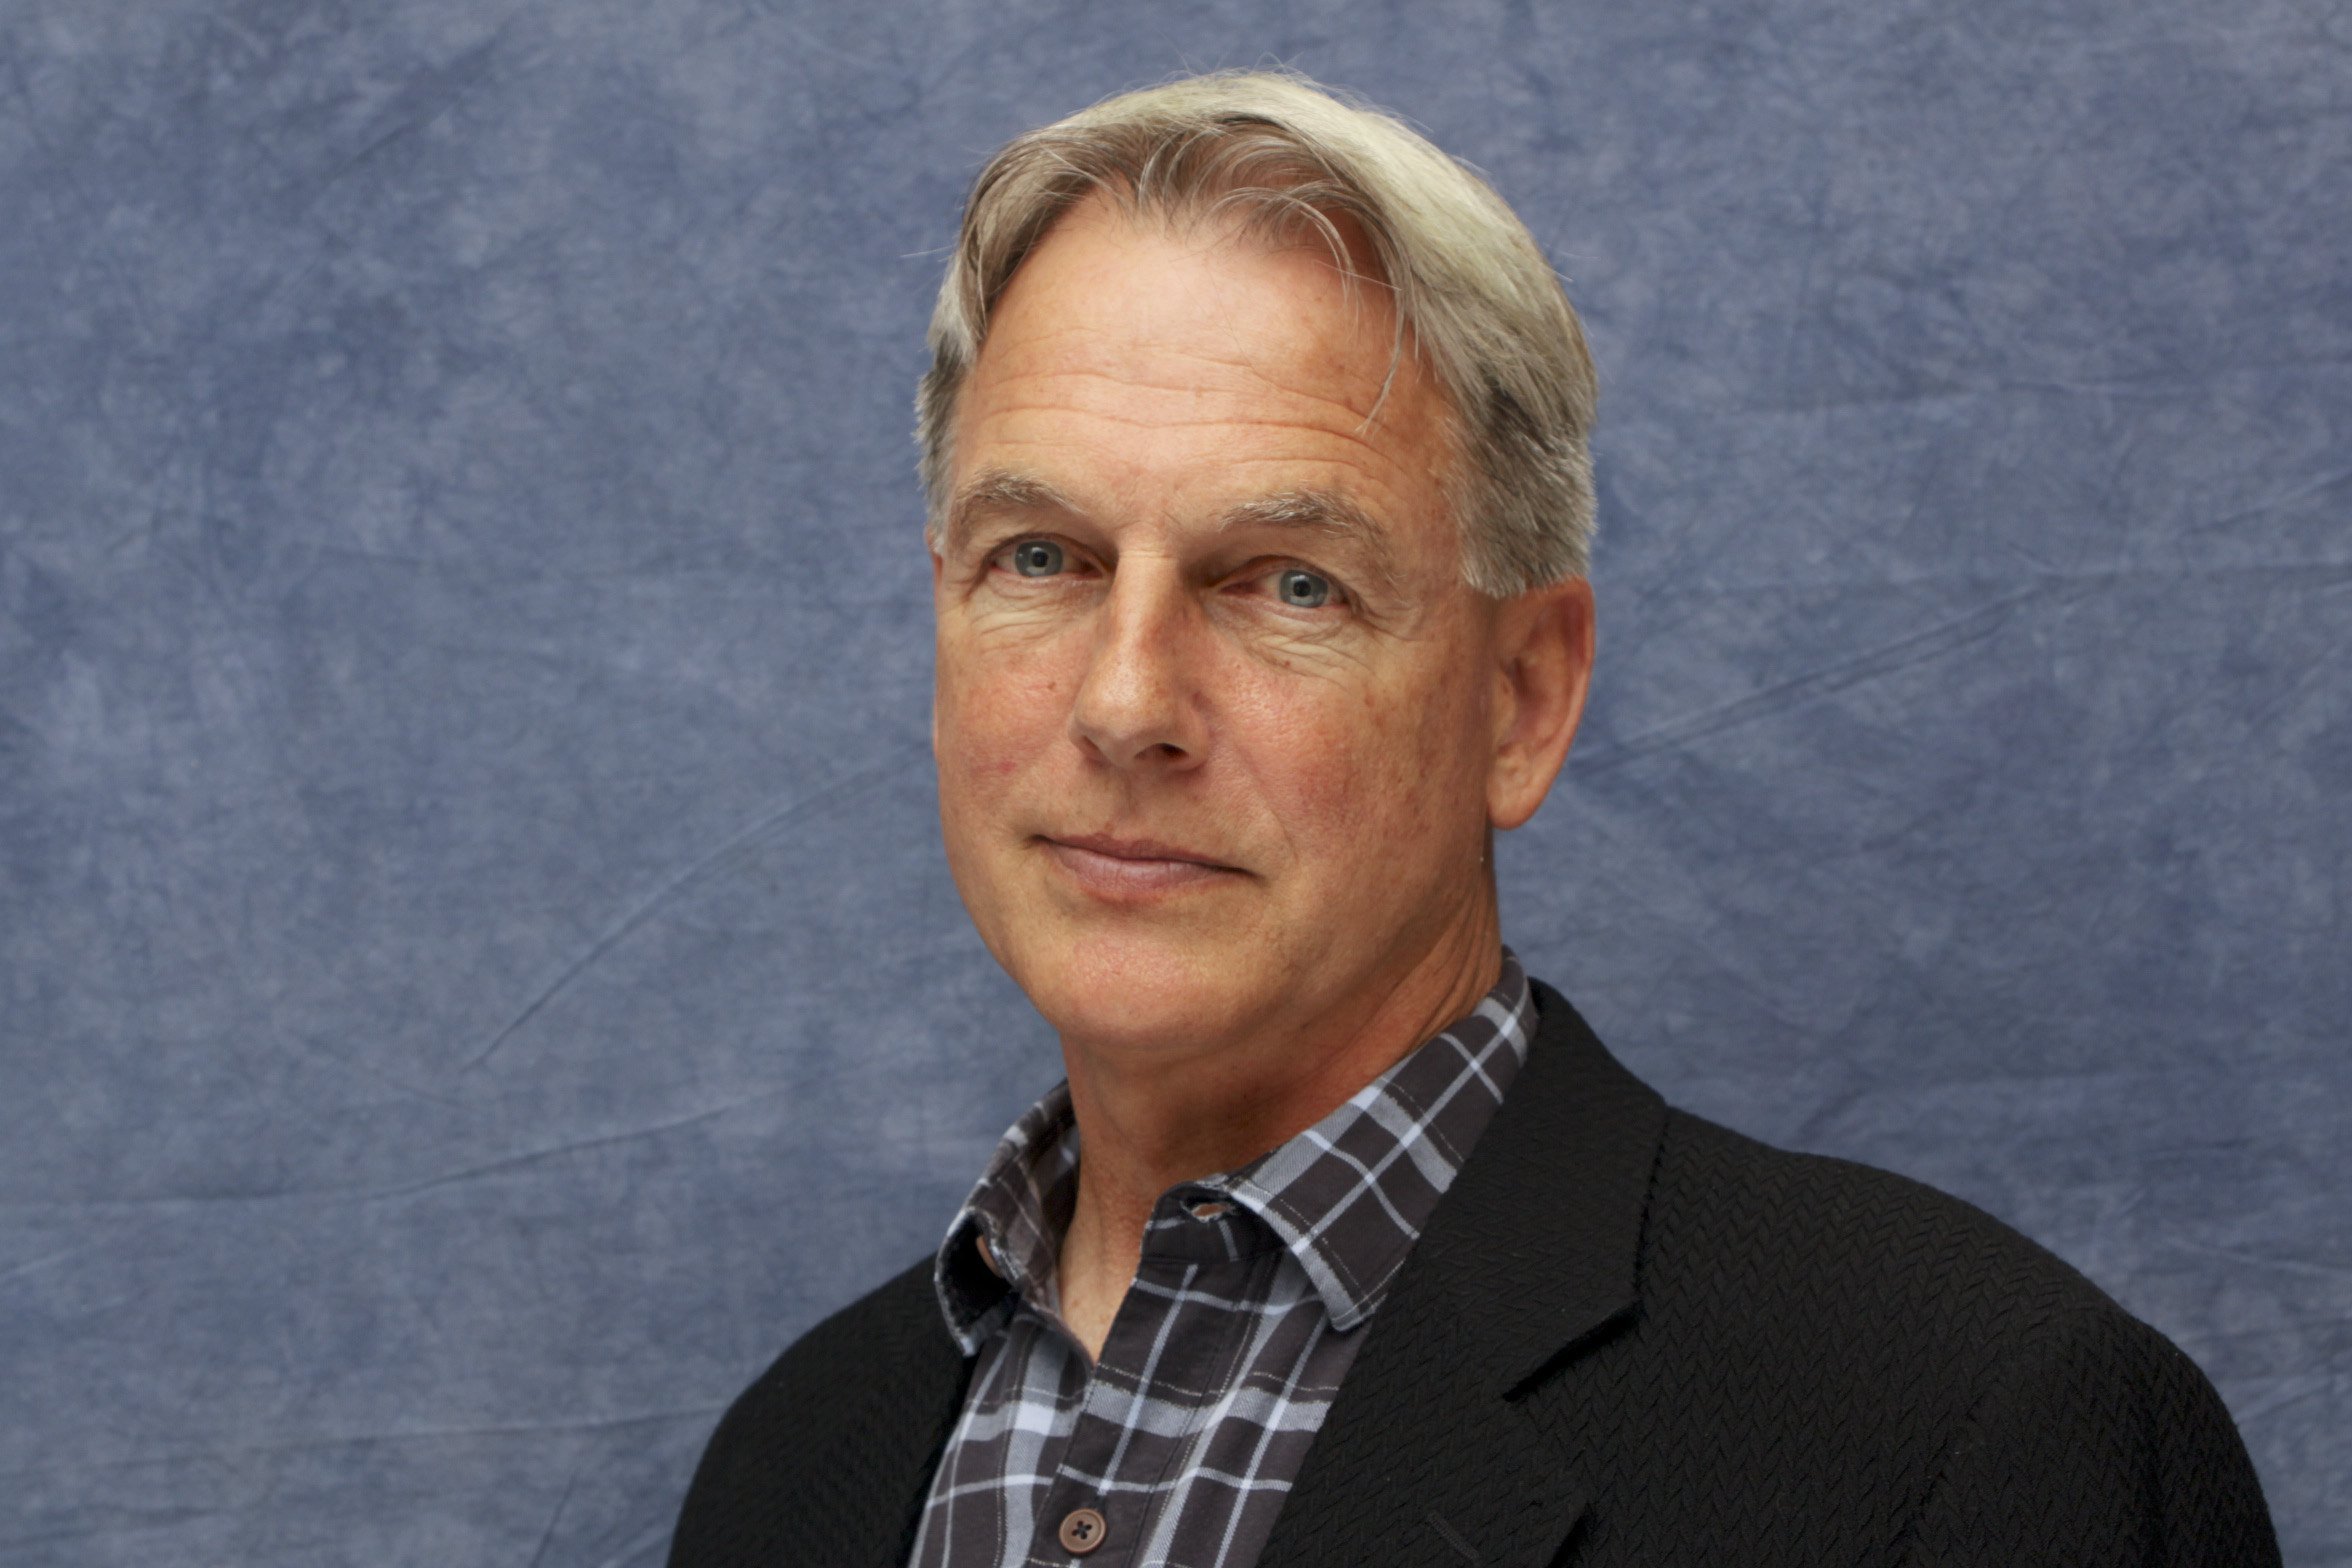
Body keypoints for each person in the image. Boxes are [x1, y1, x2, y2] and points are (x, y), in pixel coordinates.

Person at [668, 70, 2279, 1568]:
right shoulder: (795, 1465)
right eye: (1040, 557)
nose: (1124, 702)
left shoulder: (1974, 1434)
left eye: (1288, 582)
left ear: (1522, 698)